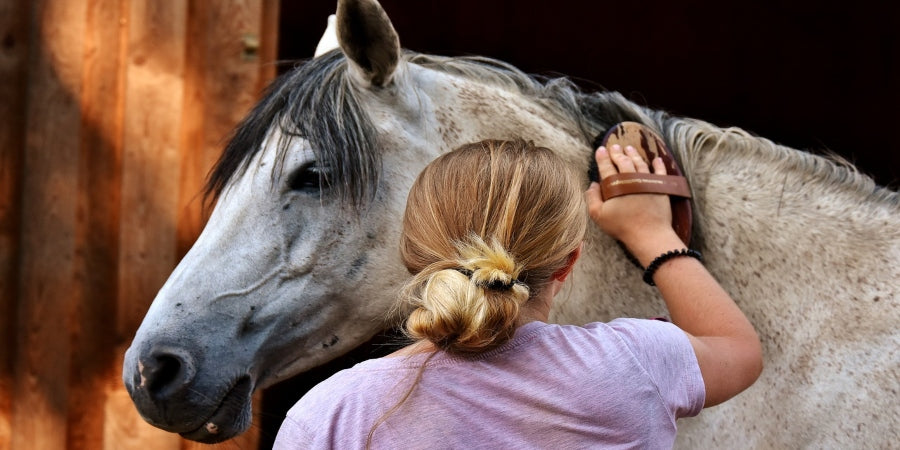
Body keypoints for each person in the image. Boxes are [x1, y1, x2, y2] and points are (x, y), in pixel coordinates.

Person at [273, 138, 762, 449]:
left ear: (412, 257)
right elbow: (737, 350)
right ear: (570, 260)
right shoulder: (633, 364)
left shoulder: (332, 415)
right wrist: (652, 233)